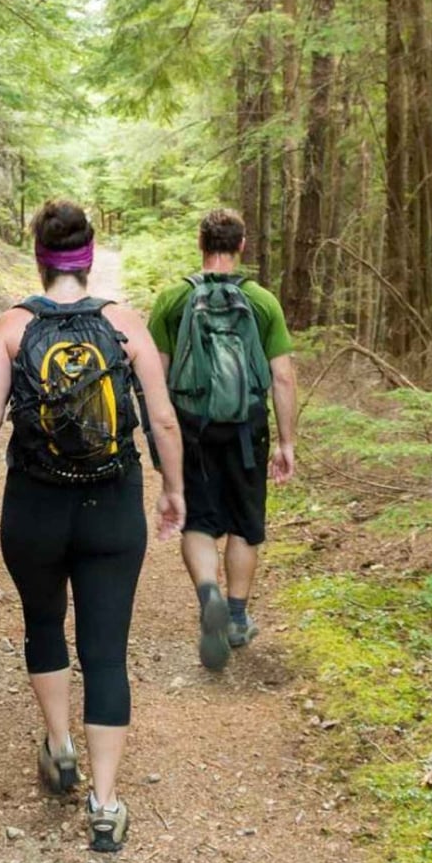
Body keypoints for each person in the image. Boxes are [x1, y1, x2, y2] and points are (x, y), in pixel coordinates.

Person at [0, 200, 185, 852]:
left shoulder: (10, 327)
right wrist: (173, 490)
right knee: (106, 649)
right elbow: (163, 418)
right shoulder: (124, 324)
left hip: (33, 506)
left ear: (39, 256)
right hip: (112, 507)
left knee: (41, 621)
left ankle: (60, 748)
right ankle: (106, 804)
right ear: (88, 257)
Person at [147, 208, 297, 671]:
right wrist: (286, 442)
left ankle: (207, 592)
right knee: (244, 522)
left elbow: (157, 374)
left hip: (192, 426)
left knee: (199, 519)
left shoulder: (174, 299)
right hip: (247, 427)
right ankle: (235, 616)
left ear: (200, 244)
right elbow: (283, 377)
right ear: (242, 245)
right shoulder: (262, 301)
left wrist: (160, 433)